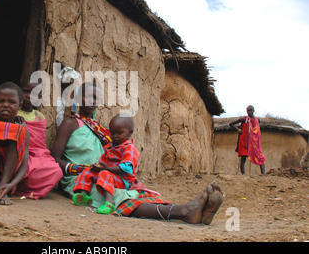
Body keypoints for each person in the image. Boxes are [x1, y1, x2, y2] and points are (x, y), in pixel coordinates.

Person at [51, 82, 224, 225]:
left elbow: (115, 157)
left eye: (96, 97)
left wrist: (118, 172)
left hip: (104, 175)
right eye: (87, 96)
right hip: (81, 180)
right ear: (77, 98)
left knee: (138, 192)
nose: (92, 100)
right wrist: (80, 169)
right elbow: (55, 159)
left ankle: (195, 212)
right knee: (120, 197)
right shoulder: (70, 124)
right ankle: (183, 211)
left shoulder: (101, 129)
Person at [72, 114, 139, 215]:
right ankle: (83, 195)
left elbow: (126, 168)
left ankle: (109, 203)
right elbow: (102, 161)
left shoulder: (129, 148)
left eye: (119, 133)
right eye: (112, 133)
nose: (114, 136)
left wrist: (106, 168)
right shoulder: (110, 146)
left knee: (104, 174)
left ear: (130, 133)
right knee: (88, 171)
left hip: (122, 179)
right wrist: (96, 166)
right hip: (109, 173)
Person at [14, 75, 63, 199]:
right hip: (20, 153)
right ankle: (18, 186)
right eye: (26, 91)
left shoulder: (39, 116)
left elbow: (39, 144)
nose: (29, 96)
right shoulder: (13, 112)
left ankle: (30, 190)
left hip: (38, 153)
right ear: (19, 90)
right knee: (26, 168)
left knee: (56, 171)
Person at [229, 105, 266, 175]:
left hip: (254, 142)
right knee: (243, 158)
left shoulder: (257, 120)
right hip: (244, 141)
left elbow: (257, 130)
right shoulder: (244, 119)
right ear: (246, 111)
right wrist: (238, 129)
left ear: (254, 111)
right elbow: (231, 124)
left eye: (251, 110)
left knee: (260, 157)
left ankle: (263, 174)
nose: (249, 112)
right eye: (248, 110)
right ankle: (243, 174)